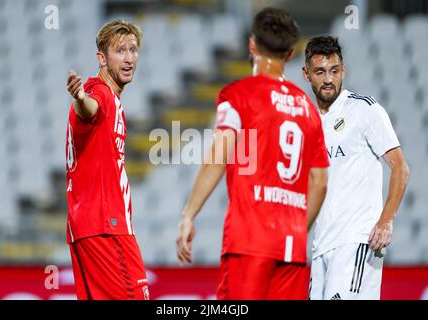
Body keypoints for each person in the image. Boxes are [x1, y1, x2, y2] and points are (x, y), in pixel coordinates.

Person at [176, 7, 330, 300]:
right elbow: (320, 183)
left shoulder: (238, 95)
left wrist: (188, 215)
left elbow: (219, 155)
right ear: (289, 54)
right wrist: (297, 228)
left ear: (251, 45)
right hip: (292, 248)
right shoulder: (309, 110)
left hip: (249, 243)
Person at [302, 35, 410, 300]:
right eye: (320, 72)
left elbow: (400, 167)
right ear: (306, 75)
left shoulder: (364, 110)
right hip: (320, 247)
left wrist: (386, 221)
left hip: (357, 239)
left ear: (343, 71)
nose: (328, 79)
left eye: (334, 71)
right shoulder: (308, 121)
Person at [65, 20, 149, 300]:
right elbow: (88, 108)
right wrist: (78, 97)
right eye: (120, 51)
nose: (128, 58)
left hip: (85, 229)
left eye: (133, 50)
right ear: (102, 58)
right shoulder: (100, 93)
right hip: (107, 227)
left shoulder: (108, 95)